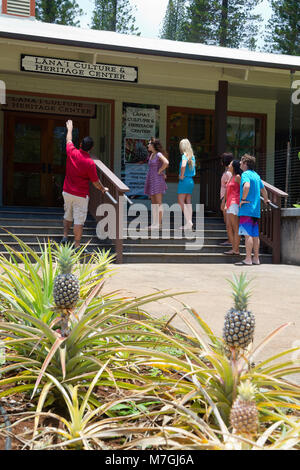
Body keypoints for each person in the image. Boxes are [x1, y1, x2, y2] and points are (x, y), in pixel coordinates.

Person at [61, 120, 108, 250]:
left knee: (67, 215)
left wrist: (69, 128)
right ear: (91, 148)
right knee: (78, 221)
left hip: (67, 192)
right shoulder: (90, 163)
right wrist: (103, 189)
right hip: (81, 195)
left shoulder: (72, 152)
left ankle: (65, 236)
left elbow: (68, 140)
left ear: (80, 144)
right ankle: (77, 245)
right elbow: (95, 182)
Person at [235, 154, 270, 266]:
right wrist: (266, 200)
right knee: (255, 235)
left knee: (247, 234)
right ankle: (256, 258)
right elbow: (264, 190)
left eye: (241, 161)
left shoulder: (245, 174)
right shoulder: (256, 175)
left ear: (245, 163)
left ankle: (248, 259)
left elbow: (246, 186)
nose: (240, 163)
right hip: (255, 210)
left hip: (246, 209)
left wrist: (243, 199)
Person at [144, 138, 169, 228]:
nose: (148, 145)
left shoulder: (158, 154)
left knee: (158, 202)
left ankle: (158, 224)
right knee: (153, 203)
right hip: (151, 179)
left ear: (154, 145)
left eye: (149, 143)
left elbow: (166, 162)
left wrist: (160, 171)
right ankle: (154, 223)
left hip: (157, 180)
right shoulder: (151, 155)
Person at [223, 160, 242, 255]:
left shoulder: (238, 177)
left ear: (234, 166)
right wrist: (224, 202)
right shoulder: (231, 177)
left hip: (235, 202)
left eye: (230, 164)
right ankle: (234, 248)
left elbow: (243, 188)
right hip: (230, 203)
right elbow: (227, 192)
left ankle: (236, 249)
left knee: (235, 226)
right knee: (229, 226)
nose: (229, 165)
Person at [177, 139, 196, 229]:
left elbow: (183, 165)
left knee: (180, 201)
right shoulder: (192, 156)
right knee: (188, 201)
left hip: (184, 180)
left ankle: (188, 222)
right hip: (191, 180)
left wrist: (181, 175)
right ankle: (189, 222)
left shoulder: (184, 155)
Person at [219, 152, 233, 246]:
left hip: (227, 198)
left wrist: (224, 201)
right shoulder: (229, 172)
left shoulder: (228, 173)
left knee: (228, 222)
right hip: (227, 198)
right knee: (228, 221)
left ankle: (230, 240)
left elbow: (229, 187)